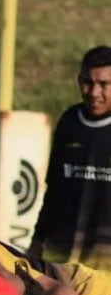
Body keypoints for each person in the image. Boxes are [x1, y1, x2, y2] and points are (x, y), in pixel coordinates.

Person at [31, 45, 111, 269]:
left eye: (104, 84)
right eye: (87, 82)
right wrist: (37, 242)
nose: (94, 92)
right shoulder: (70, 122)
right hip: (62, 255)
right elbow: (54, 190)